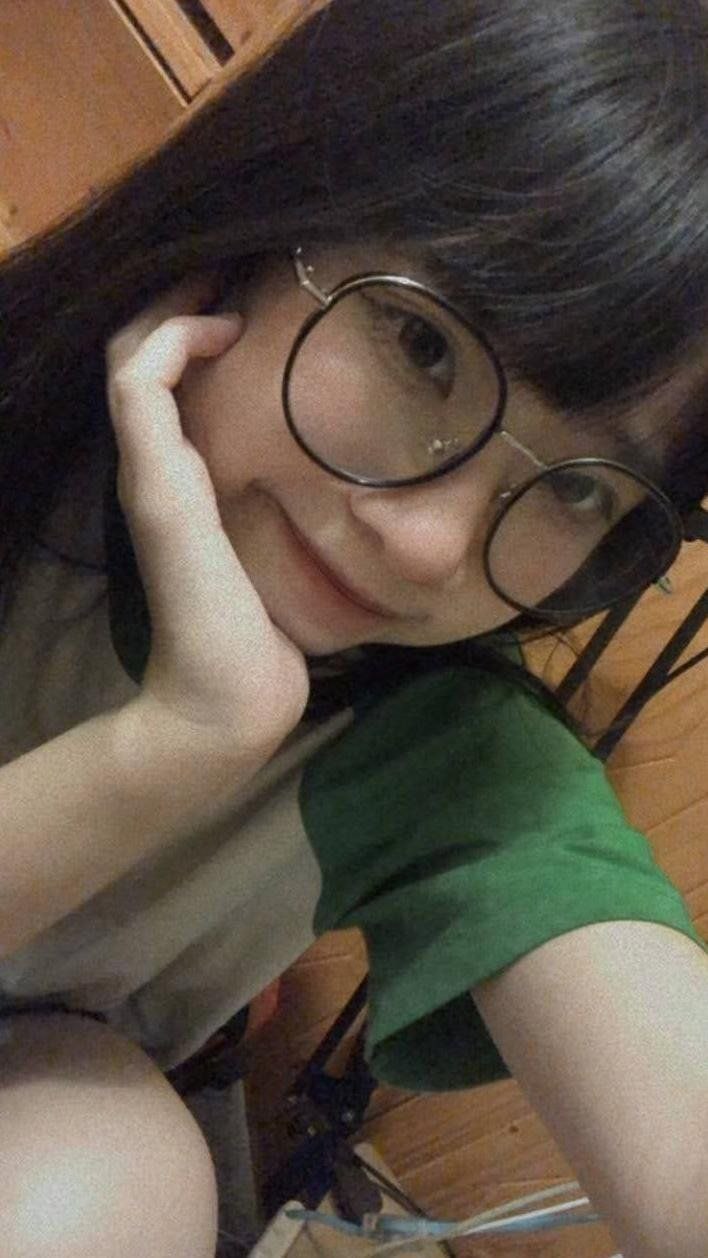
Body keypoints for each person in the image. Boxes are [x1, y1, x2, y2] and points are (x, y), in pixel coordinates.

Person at [1, 0, 708, 1254]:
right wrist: (168, 743)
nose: (431, 545)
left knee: (111, 1175)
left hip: (43, 1083)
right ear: (272, 208)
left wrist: (204, 729)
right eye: (422, 346)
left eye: (580, 488)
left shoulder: (439, 744)